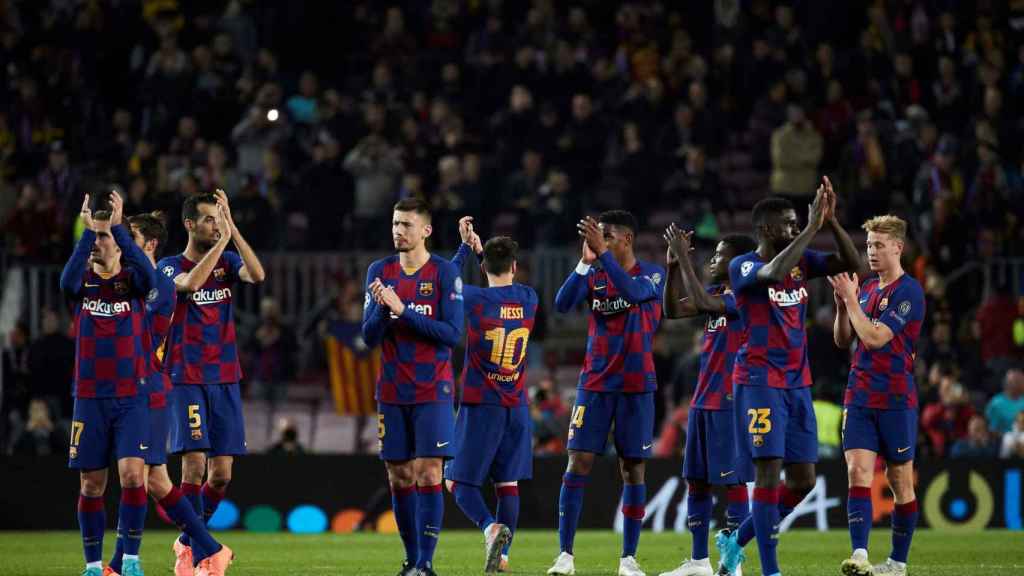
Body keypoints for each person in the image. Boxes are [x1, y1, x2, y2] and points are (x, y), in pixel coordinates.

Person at [717, 178, 861, 576]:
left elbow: (854, 265)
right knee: (768, 470)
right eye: (789, 224)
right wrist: (813, 229)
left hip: (798, 383)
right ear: (765, 229)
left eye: (798, 223)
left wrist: (830, 223)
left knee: (803, 480)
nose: (796, 229)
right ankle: (770, 571)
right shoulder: (742, 264)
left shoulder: (803, 260)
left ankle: (735, 541)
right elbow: (771, 274)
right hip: (758, 380)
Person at [112, 211, 233, 576]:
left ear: (148, 245)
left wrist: (225, 238)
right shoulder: (133, 282)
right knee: (152, 479)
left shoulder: (159, 284)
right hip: (134, 387)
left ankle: (121, 565)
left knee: (141, 477)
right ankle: (208, 548)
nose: (120, 247)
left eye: (127, 238)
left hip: (149, 388)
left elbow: (187, 284)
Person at [549, 211, 666, 576]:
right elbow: (561, 304)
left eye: (608, 237)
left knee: (633, 469)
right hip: (595, 385)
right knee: (577, 462)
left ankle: (628, 559)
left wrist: (601, 257)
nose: (599, 242)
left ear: (627, 239)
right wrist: (585, 264)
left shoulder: (653, 274)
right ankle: (565, 556)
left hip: (635, 387)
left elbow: (632, 293)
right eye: (597, 237)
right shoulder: (595, 273)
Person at [157, 190, 265, 573]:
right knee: (193, 466)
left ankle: (187, 539)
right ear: (189, 224)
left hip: (225, 376)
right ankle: (197, 552)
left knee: (221, 475)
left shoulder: (228, 259)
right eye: (209, 220)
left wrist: (232, 231)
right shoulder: (169, 265)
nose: (214, 225)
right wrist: (220, 244)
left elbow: (256, 274)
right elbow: (187, 285)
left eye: (217, 219)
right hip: (186, 376)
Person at [362, 197, 464, 576]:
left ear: (426, 230)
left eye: (406, 224)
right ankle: (410, 560)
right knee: (399, 475)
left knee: (429, 472)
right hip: (391, 389)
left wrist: (402, 310)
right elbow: (368, 337)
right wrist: (381, 310)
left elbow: (452, 334)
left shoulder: (443, 274)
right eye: (394, 224)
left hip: (433, 390)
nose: (398, 231)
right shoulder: (379, 270)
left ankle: (425, 563)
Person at [59, 191, 155, 576]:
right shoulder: (82, 282)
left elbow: (150, 279)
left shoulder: (132, 282)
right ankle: (94, 566)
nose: (98, 243)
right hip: (89, 397)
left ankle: (130, 559)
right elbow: (66, 283)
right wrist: (89, 232)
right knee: (91, 485)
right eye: (94, 238)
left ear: (118, 243)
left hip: (131, 395)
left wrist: (117, 227)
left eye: (103, 238)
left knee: (133, 475)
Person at [829, 215, 925, 576]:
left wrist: (851, 299)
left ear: (898, 247)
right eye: (868, 245)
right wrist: (843, 306)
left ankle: (897, 563)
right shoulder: (867, 289)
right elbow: (843, 340)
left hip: (896, 398)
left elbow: (874, 338)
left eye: (878, 245)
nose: (870, 252)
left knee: (900, 482)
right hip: (860, 395)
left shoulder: (909, 292)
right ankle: (860, 554)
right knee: (857, 472)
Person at [660, 225, 758, 576]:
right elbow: (672, 310)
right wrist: (673, 266)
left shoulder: (746, 294)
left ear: (738, 262)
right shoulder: (718, 291)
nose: (712, 260)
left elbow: (700, 302)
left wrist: (686, 258)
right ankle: (700, 561)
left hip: (730, 401)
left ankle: (733, 562)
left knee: (733, 482)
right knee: (697, 480)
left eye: (719, 255)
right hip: (704, 399)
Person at [444, 217, 538, 573]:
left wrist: (466, 248)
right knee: (507, 484)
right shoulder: (530, 298)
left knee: (456, 482)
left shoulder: (474, 299)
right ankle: (503, 558)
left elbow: (445, 284)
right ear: (515, 266)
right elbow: (503, 285)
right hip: (517, 406)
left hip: (482, 404)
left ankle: (489, 528)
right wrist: (483, 253)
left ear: (482, 268)